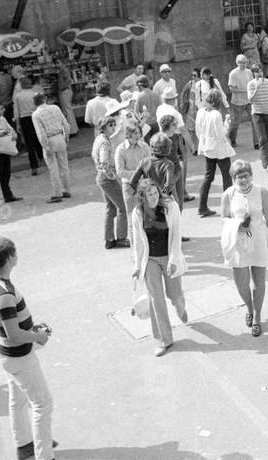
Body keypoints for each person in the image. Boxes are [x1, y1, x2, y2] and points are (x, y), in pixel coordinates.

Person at [0, 238, 55, 459]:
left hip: (2, 350)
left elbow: (6, 326)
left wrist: (29, 326)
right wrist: (37, 336)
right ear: (10, 258)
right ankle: (45, 456)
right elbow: (14, 335)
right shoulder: (5, 295)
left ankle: (24, 445)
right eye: (16, 253)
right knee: (43, 404)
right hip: (18, 356)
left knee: (18, 398)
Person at [129, 178, 187, 356]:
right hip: (151, 260)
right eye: (149, 194)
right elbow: (138, 241)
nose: (153, 197)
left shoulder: (171, 207)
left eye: (155, 193)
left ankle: (180, 307)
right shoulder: (138, 213)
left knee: (174, 295)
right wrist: (137, 265)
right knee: (156, 301)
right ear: (143, 197)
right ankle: (164, 340)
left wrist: (173, 260)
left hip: (170, 256)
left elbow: (177, 235)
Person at [221, 160, 268, 336]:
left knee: (259, 282)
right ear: (233, 178)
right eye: (239, 177)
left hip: (259, 241)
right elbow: (224, 219)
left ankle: (257, 317)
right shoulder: (228, 194)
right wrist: (238, 225)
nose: (243, 180)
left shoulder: (262, 192)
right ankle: (249, 308)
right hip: (239, 243)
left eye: (246, 176)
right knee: (241, 282)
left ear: (251, 175)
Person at [92, 115, 131, 250]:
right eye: (110, 125)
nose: (113, 128)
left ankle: (109, 239)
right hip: (106, 178)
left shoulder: (99, 139)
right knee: (122, 206)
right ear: (104, 127)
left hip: (101, 177)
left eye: (113, 125)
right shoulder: (105, 142)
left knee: (111, 208)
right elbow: (104, 162)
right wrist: (113, 175)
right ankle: (121, 238)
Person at [196, 89, 235, 218]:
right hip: (219, 149)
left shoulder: (201, 112)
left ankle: (202, 207)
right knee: (227, 176)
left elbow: (198, 131)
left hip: (207, 147)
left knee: (208, 177)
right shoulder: (216, 114)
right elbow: (220, 135)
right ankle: (228, 208)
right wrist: (227, 124)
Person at [30, 93, 71, 204]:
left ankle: (57, 193)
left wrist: (45, 146)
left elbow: (41, 133)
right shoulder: (55, 108)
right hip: (59, 137)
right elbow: (65, 124)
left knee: (53, 168)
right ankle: (66, 189)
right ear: (45, 99)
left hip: (49, 140)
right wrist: (66, 136)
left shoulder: (36, 114)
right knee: (64, 165)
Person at [115, 124, 151, 220]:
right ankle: (133, 236)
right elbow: (120, 172)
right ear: (128, 134)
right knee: (132, 216)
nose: (138, 135)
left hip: (144, 184)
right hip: (129, 186)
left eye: (139, 133)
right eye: (135, 133)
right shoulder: (121, 149)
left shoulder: (144, 146)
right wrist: (137, 174)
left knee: (147, 215)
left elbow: (150, 164)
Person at [227, 54, 259, 149]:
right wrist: (245, 90)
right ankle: (232, 138)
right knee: (236, 123)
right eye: (240, 62)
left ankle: (256, 143)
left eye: (244, 62)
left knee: (254, 121)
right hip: (237, 102)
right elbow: (231, 89)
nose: (243, 64)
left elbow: (252, 83)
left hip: (249, 101)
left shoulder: (249, 72)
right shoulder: (233, 73)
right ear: (237, 63)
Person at [11, 78, 42, 176]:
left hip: (24, 119)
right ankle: (42, 156)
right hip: (35, 116)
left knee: (29, 143)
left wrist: (17, 124)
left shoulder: (18, 96)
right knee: (38, 137)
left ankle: (34, 166)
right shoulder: (35, 94)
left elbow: (16, 112)